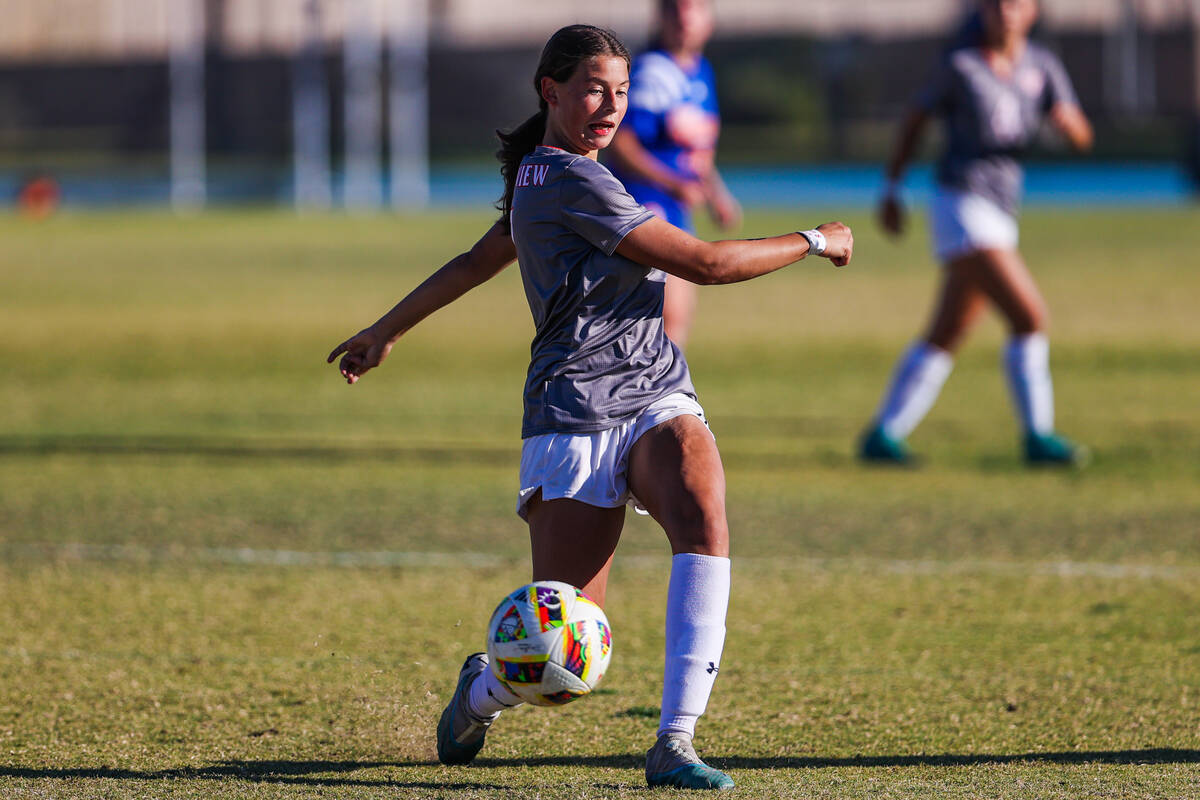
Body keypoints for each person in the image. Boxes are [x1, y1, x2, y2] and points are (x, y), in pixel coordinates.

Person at [327, 24, 852, 791]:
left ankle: (675, 742)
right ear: (552, 91)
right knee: (567, 653)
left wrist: (386, 330)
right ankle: (483, 691)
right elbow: (704, 265)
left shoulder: (547, 177)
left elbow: (480, 257)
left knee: (704, 509)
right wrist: (815, 238)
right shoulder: (570, 181)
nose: (611, 106)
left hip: (653, 387)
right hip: (573, 411)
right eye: (595, 89)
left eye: (623, 91)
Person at [858, 0, 1093, 466]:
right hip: (961, 202)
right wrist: (891, 187)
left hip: (1004, 209)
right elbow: (914, 121)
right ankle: (1038, 437)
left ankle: (883, 434)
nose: (1006, 12)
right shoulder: (960, 65)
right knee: (1029, 316)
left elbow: (1083, 135)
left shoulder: (1042, 65)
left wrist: (1070, 127)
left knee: (949, 329)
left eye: (1016, 4)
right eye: (997, 4)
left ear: (1032, 12)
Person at [606, 0, 739, 349]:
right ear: (661, 18)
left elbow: (697, 153)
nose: (685, 18)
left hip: (676, 209)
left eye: (694, 9)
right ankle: (655, 397)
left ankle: (654, 395)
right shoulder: (653, 72)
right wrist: (674, 183)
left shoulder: (700, 71)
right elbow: (621, 144)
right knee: (667, 316)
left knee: (674, 322)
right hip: (644, 205)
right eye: (677, 10)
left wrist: (716, 195)